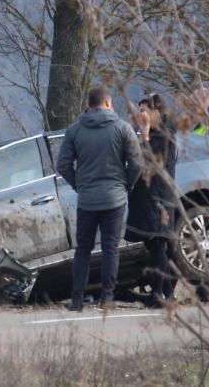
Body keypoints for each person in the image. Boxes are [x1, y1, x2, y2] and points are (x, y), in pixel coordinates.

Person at [56, 87, 143, 311]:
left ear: (89, 105)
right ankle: (107, 298)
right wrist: (127, 184)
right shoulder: (122, 128)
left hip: (87, 199)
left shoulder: (74, 130)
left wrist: (78, 184)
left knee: (83, 249)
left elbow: (63, 165)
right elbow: (136, 163)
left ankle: (77, 300)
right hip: (115, 198)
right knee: (110, 248)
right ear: (108, 102)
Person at [126, 94, 178, 308]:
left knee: (157, 245)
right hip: (148, 197)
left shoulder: (165, 136)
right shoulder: (154, 134)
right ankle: (168, 294)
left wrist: (145, 133)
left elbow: (150, 162)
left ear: (157, 112)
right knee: (155, 246)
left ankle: (158, 294)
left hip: (158, 198)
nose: (142, 115)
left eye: (145, 110)